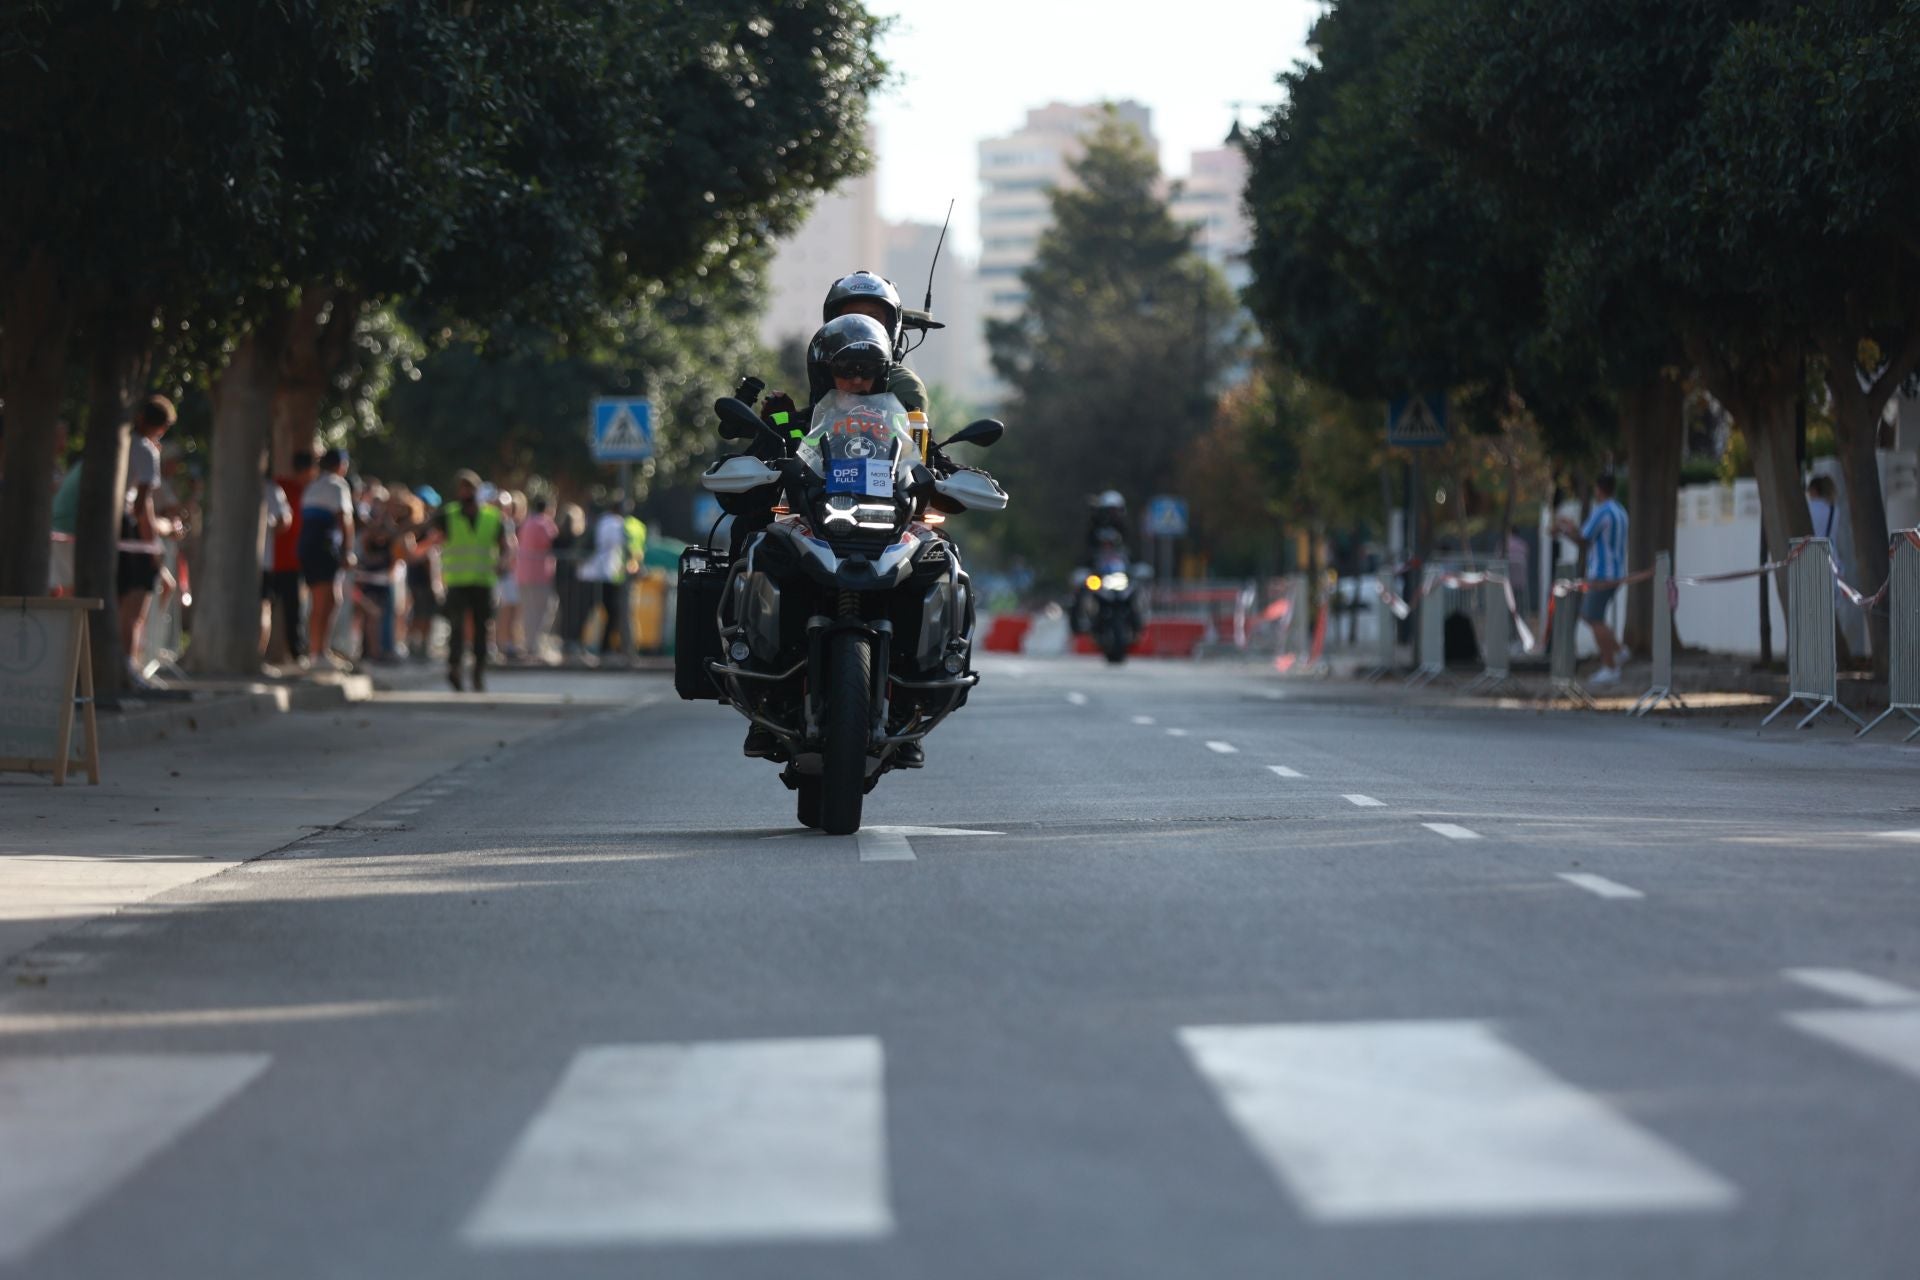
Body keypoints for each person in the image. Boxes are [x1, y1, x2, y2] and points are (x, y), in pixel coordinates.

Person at [428, 469, 511, 691]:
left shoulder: (493, 517)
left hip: (483, 581)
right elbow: (432, 538)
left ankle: (478, 672)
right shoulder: (448, 515)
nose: (467, 492)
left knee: (481, 629)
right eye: (463, 488)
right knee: (456, 628)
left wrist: (503, 562)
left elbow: (505, 546)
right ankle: (454, 668)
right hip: (457, 581)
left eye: (470, 488)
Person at [118, 395, 178, 685]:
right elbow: (143, 505)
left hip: (115, 531)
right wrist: (153, 542)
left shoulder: (122, 442)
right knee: (135, 607)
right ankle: (129, 665)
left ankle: (126, 663)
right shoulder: (146, 451)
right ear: (162, 427)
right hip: (133, 534)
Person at [1556, 473, 1629, 685]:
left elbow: (1583, 539)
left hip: (1601, 574)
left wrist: (1565, 529)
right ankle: (1618, 651)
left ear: (1599, 489)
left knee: (1592, 617)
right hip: (1616, 572)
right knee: (1592, 616)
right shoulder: (1621, 512)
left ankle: (1611, 665)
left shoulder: (1602, 511)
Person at [298, 448, 356, 670]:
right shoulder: (337, 484)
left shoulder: (312, 485)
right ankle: (318, 652)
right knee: (328, 600)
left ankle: (318, 651)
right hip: (324, 547)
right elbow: (345, 519)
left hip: (307, 547)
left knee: (323, 600)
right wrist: (348, 551)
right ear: (341, 465)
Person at [269, 451, 317, 664]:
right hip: (274, 560)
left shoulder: (306, 491)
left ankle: (296, 654)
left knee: (293, 611)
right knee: (273, 607)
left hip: (292, 561)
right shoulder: (281, 487)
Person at [513, 495, 559, 661]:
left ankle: (529, 645)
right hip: (540, 575)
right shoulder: (545, 524)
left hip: (523, 574)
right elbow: (552, 543)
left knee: (528, 612)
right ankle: (536, 646)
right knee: (543, 612)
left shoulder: (527, 523)